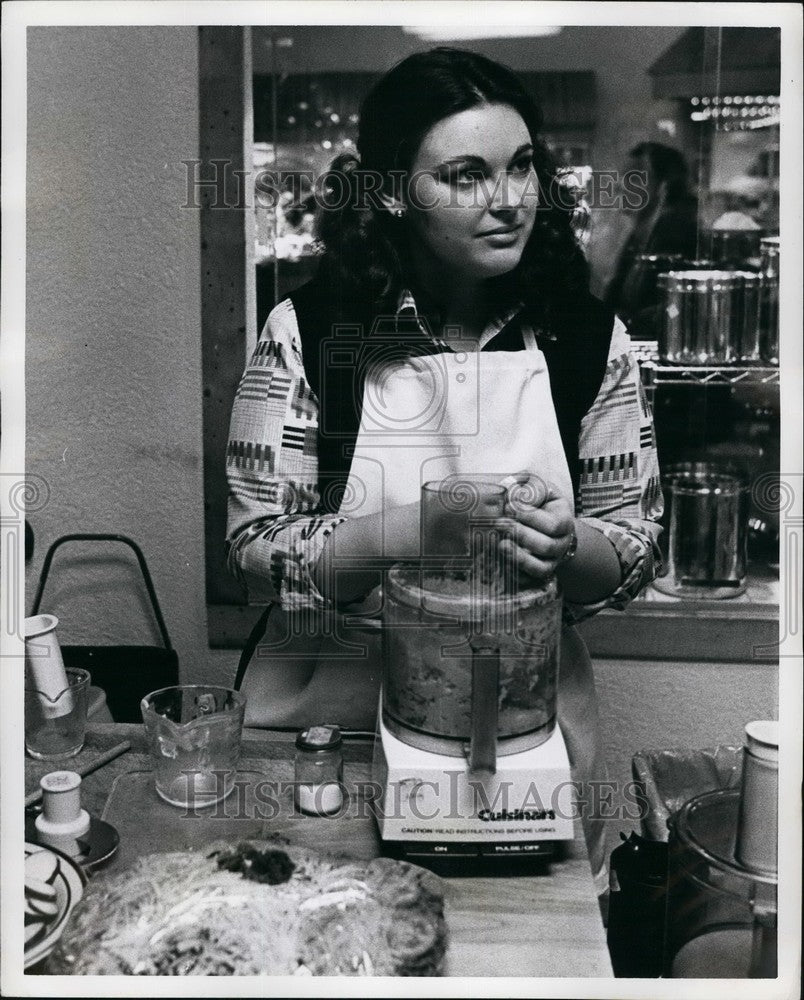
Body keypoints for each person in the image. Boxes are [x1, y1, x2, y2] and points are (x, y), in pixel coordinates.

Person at [226, 48, 663, 895]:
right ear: (392, 190)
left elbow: (636, 544)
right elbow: (254, 546)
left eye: (523, 167)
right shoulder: (311, 331)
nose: (507, 200)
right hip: (331, 722)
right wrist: (413, 530)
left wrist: (566, 544)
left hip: (526, 711)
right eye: (466, 176)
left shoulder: (585, 339)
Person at [604, 141, 699, 336]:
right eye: (624, 175)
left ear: (663, 187)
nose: (621, 184)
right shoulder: (639, 234)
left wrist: (626, 321)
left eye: (635, 176)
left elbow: (674, 309)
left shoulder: (676, 233)